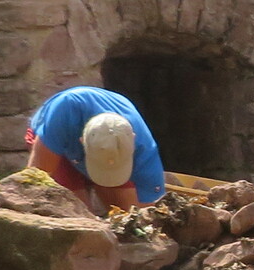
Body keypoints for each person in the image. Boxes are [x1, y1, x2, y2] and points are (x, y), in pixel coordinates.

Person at [24, 85, 166, 215]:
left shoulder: (145, 150)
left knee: (130, 216)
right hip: (59, 147)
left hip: (101, 147)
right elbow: (34, 182)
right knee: (76, 218)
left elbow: (150, 218)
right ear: (82, 141)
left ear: (133, 142)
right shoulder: (62, 114)